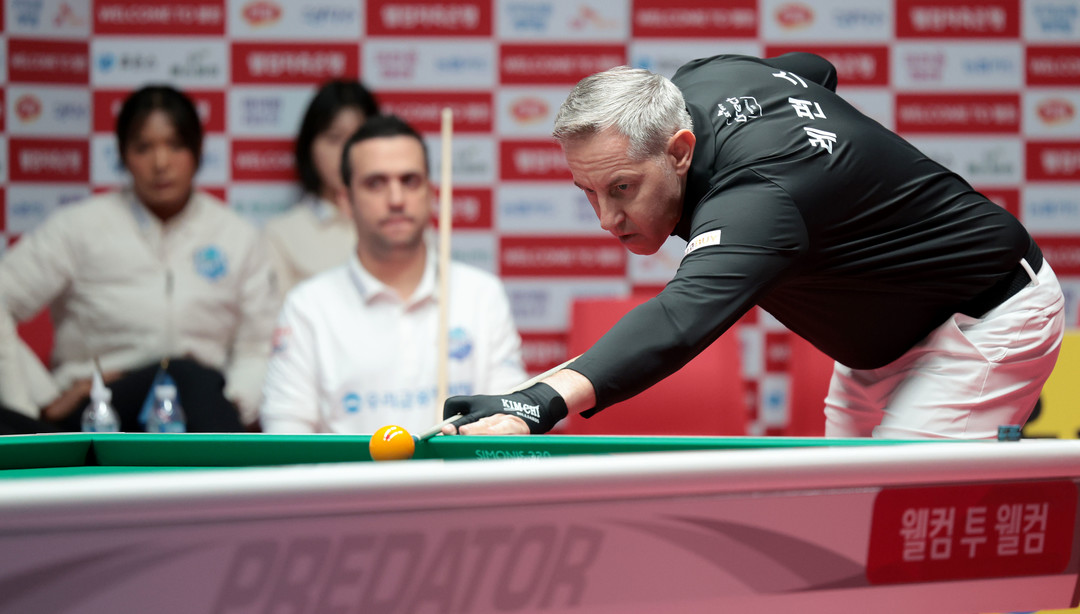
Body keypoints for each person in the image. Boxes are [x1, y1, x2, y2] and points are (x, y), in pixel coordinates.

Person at [442, 53, 1066, 440]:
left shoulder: (761, 200)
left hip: (984, 318)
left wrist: (539, 402)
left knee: (895, 525)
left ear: (680, 150)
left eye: (623, 188)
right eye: (589, 192)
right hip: (884, 339)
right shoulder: (705, 79)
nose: (607, 219)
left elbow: (678, 320)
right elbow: (811, 68)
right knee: (846, 521)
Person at [0, 84, 278, 432]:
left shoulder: (237, 235)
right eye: (143, 148)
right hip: (102, 406)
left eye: (175, 145)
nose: (161, 163)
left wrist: (233, 403)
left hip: (201, 408)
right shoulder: (80, 226)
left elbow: (258, 346)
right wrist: (38, 400)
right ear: (122, 154)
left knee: (187, 377)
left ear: (197, 150)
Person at [260, 115, 527, 434]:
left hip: (457, 470)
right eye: (375, 183)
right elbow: (287, 437)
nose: (397, 200)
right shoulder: (308, 308)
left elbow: (510, 424)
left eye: (410, 181)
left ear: (430, 193)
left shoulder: (482, 295)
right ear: (346, 200)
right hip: (348, 472)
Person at [264, 79, 380, 296]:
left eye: (358, 138)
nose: (347, 152)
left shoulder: (400, 224)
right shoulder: (282, 235)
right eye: (334, 138)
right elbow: (279, 316)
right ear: (309, 147)